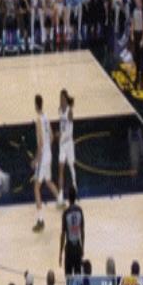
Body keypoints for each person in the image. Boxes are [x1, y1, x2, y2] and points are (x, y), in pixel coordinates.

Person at [32, 95, 60, 233]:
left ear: (35, 105)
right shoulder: (46, 117)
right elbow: (52, 137)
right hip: (49, 155)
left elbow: (41, 143)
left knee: (36, 188)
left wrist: (36, 159)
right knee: (48, 181)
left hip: (43, 157)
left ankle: (40, 220)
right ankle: (61, 201)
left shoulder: (38, 120)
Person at [57, 89, 77, 206]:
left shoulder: (70, 112)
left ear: (65, 98)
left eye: (62, 98)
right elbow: (62, 126)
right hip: (62, 145)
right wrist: (60, 135)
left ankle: (74, 184)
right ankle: (60, 196)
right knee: (61, 169)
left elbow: (70, 130)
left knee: (71, 166)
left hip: (69, 143)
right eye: (59, 98)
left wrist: (62, 135)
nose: (60, 100)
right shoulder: (59, 110)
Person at [59, 187, 85, 275]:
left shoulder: (66, 212)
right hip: (77, 246)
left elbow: (63, 234)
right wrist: (82, 247)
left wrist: (60, 253)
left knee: (68, 276)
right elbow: (82, 231)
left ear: (68, 198)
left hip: (69, 247)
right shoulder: (80, 210)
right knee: (78, 275)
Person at [130, 0, 143, 92]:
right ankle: (136, 79)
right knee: (136, 58)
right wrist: (132, 34)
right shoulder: (134, 10)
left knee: (141, 59)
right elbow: (132, 23)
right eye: (136, 1)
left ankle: (142, 81)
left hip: (141, 35)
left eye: (139, 1)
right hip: (136, 34)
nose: (137, 3)